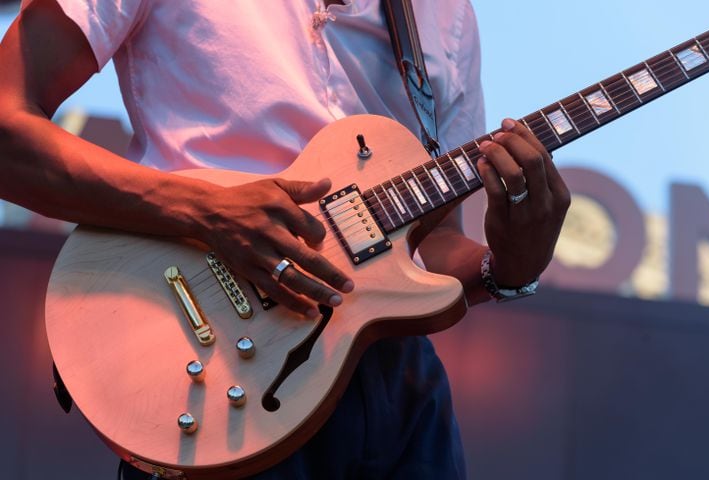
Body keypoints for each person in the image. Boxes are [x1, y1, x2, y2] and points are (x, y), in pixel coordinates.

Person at [0, 0, 570, 478]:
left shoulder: (442, 15)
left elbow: (436, 246)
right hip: (212, 358)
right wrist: (204, 211)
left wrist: (513, 264)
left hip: (394, 385)